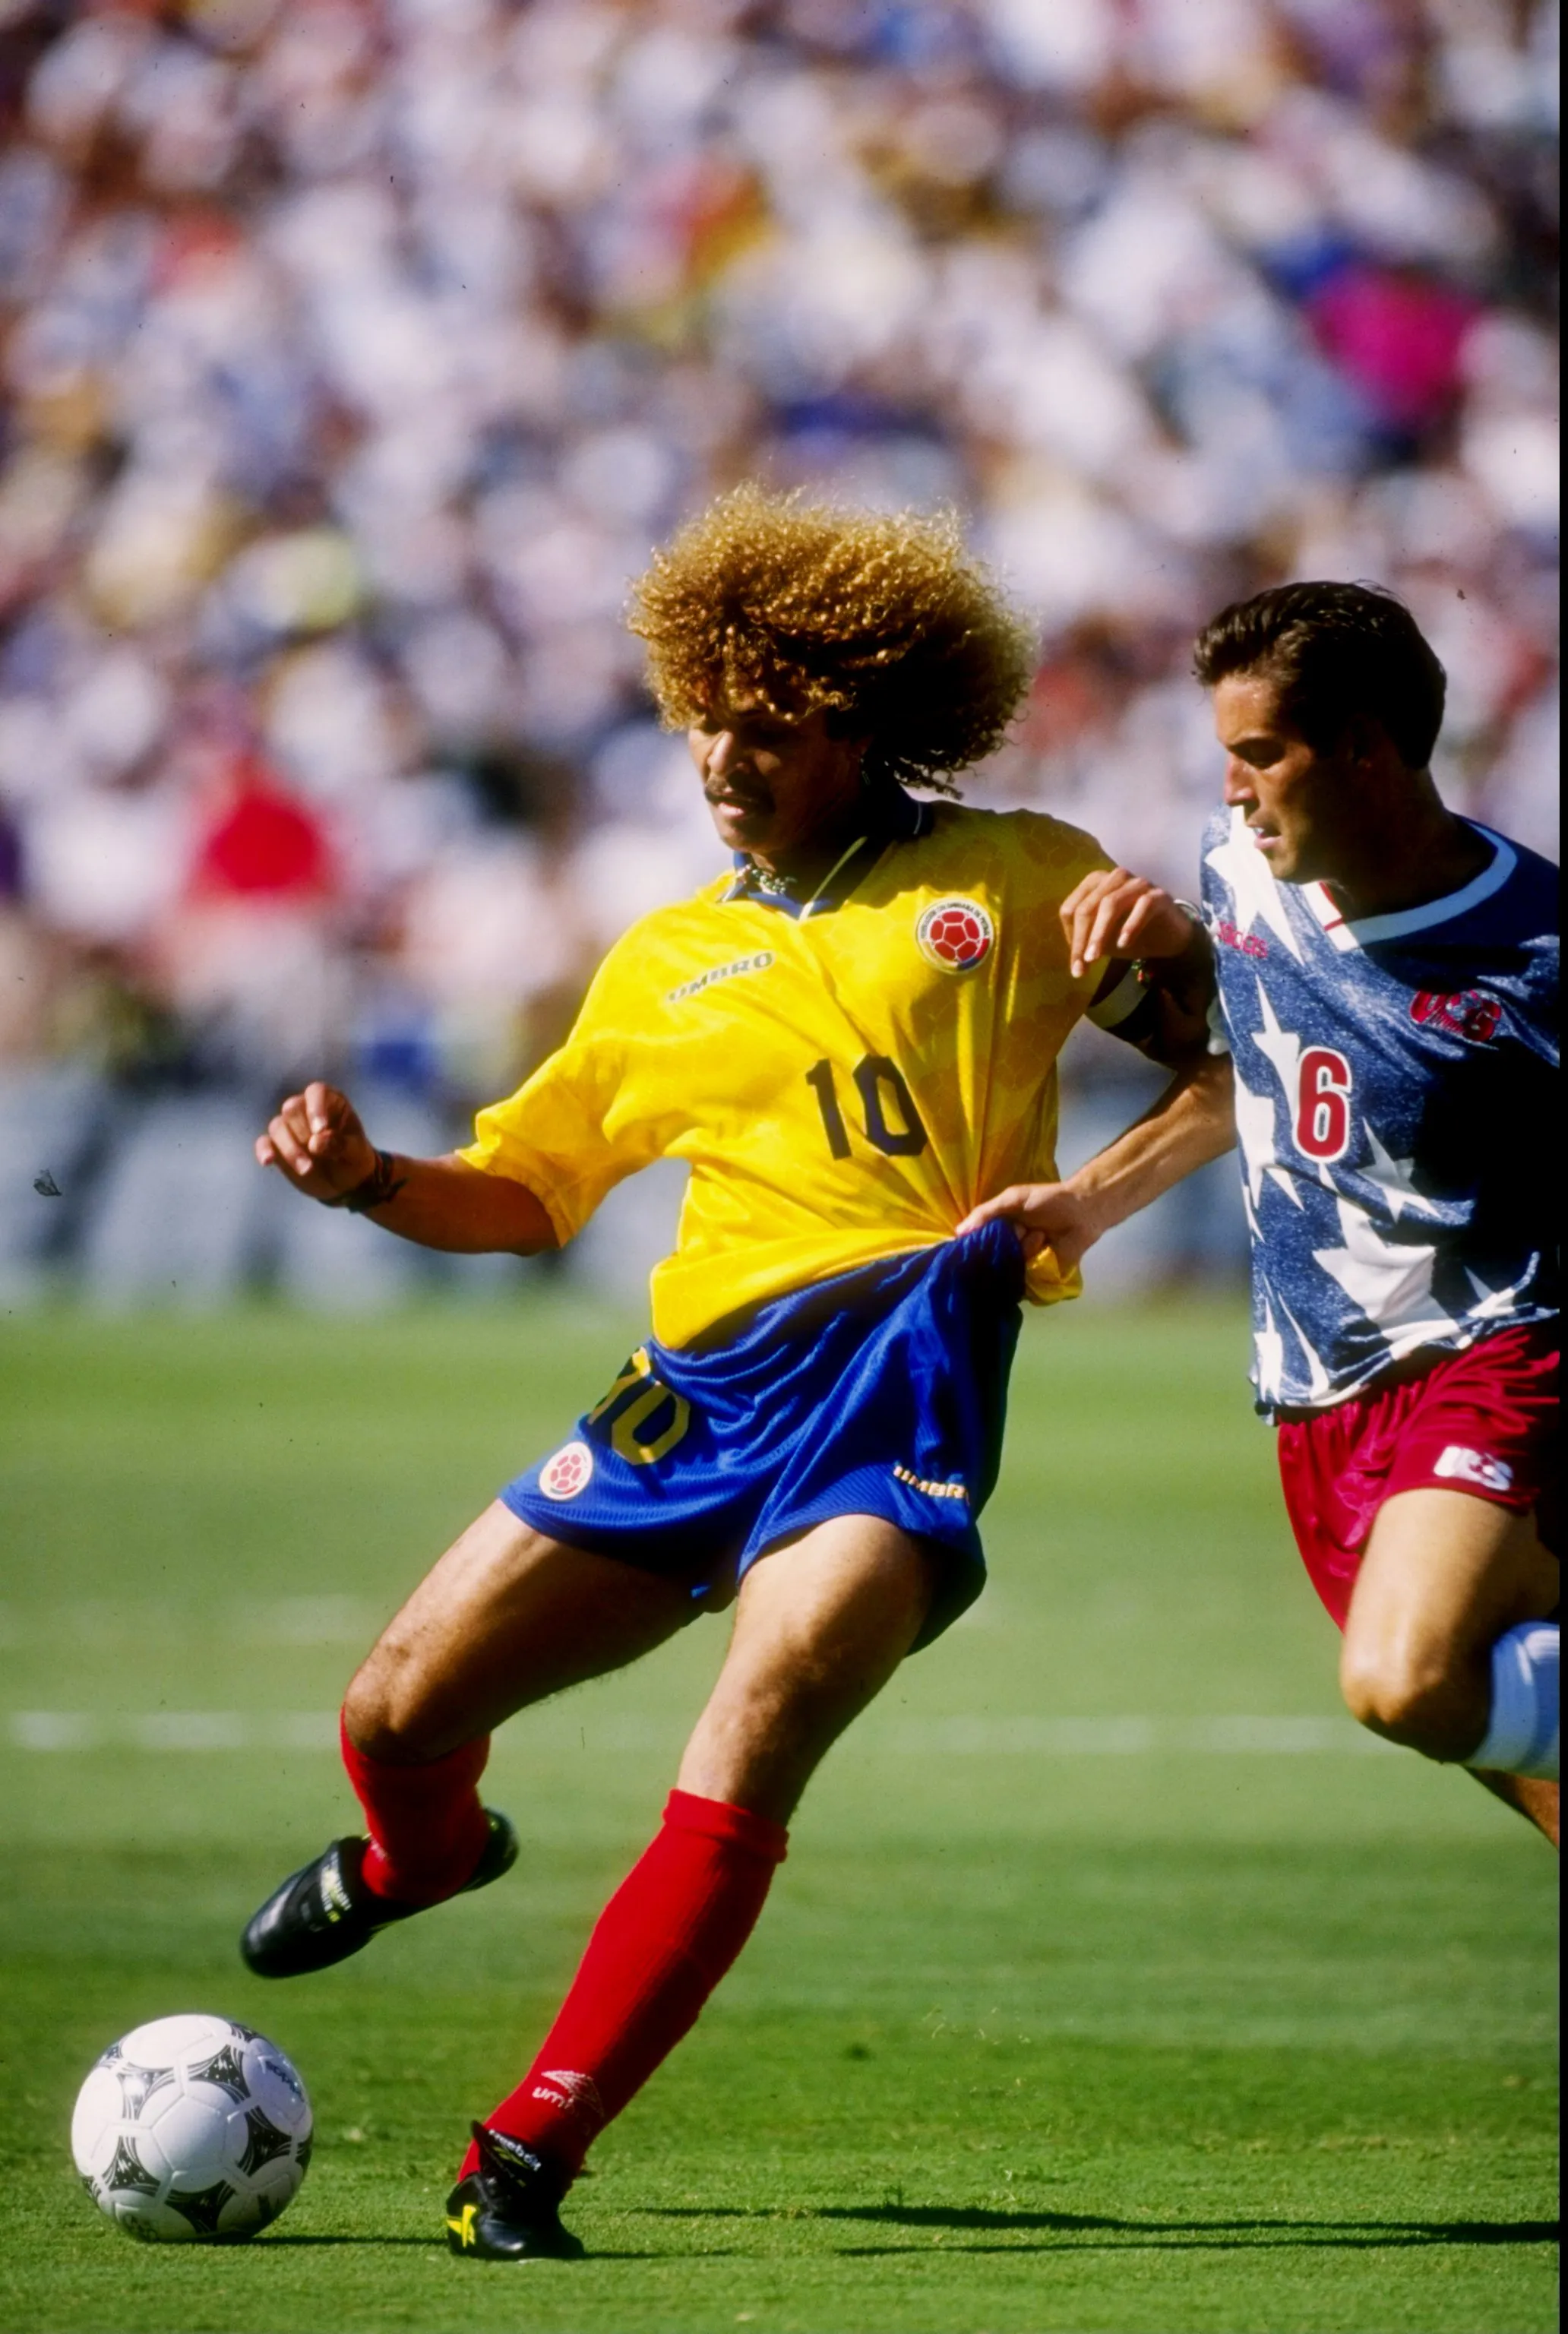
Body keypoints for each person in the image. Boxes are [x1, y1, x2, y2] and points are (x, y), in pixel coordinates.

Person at [238, 487, 1214, 2261]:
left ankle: (524, 2154)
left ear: (860, 718)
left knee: (756, 1730)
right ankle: (421, 1863)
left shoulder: (1016, 874)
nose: (721, 755)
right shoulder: (667, 959)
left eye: (765, 724)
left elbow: (1224, 1066)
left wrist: (1142, 1041)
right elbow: (528, 1198)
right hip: (690, 1402)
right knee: (391, 1716)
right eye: (705, 718)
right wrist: (372, 1180)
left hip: (900, 1405)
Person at [962, 580, 1558, 1845]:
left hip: (1499, 1357)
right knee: (1485, 1734)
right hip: (1317, 1404)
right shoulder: (1239, 875)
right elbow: (1252, 1075)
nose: (1232, 788)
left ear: (1363, 748)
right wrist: (1087, 1202)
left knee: (1405, 1678)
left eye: (1258, 754)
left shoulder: (1537, 951)